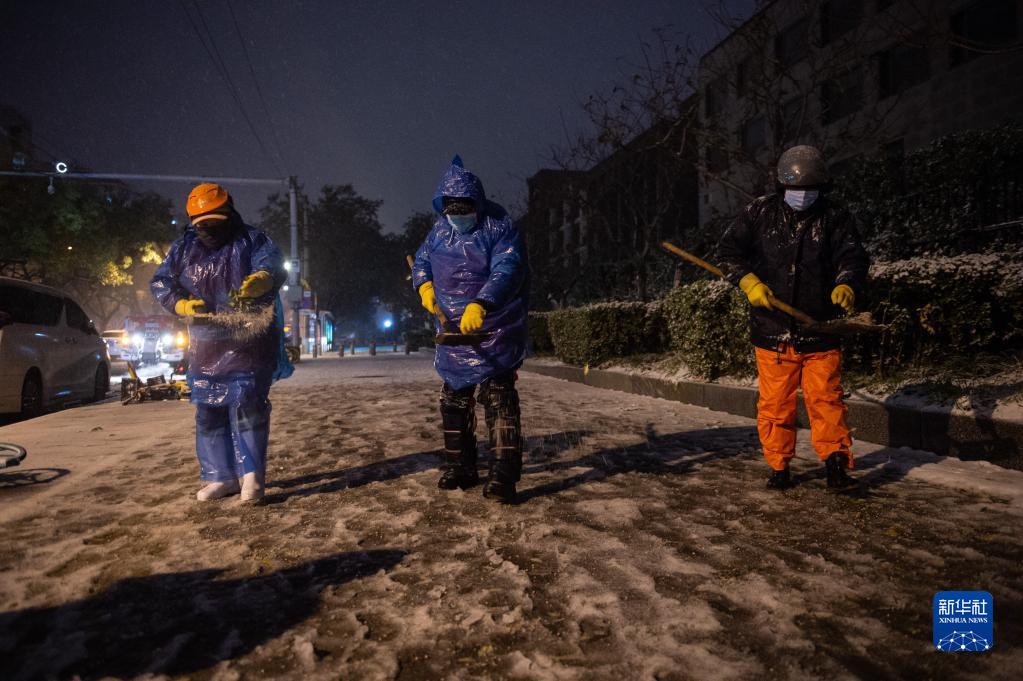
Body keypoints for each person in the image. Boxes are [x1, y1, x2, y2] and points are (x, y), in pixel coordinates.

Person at [718, 145, 869, 491]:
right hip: (772, 331)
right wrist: (746, 280)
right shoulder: (758, 213)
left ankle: (835, 465)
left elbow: (853, 256)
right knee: (775, 406)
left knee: (827, 401)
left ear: (823, 189)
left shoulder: (835, 217)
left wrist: (847, 283)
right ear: (782, 187)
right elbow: (727, 252)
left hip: (822, 330)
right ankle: (779, 466)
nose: (802, 197)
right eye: (795, 190)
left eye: (809, 191)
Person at [151, 183, 292, 504]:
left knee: (247, 406)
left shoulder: (252, 240)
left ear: (230, 213)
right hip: (206, 346)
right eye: (203, 224)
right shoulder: (182, 249)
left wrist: (261, 280)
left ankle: (252, 477)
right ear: (192, 221)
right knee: (209, 411)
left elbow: (271, 262)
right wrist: (182, 305)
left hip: (249, 341)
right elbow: (161, 281)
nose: (210, 229)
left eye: (216, 221)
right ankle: (220, 476)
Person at [412, 156, 529, 503]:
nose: (459, 218)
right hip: (453, 331)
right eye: (453, 212)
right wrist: (424, 286)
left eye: (465, 211)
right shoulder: (438, 231)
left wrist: (483, 303)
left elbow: (508, 267)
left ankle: (503, 476)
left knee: (499, 400)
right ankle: (460, 467)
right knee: (453, 400)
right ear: (443, 209)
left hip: (494, 327)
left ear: (477, 206)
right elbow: (421, 262)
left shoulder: (500, 226)